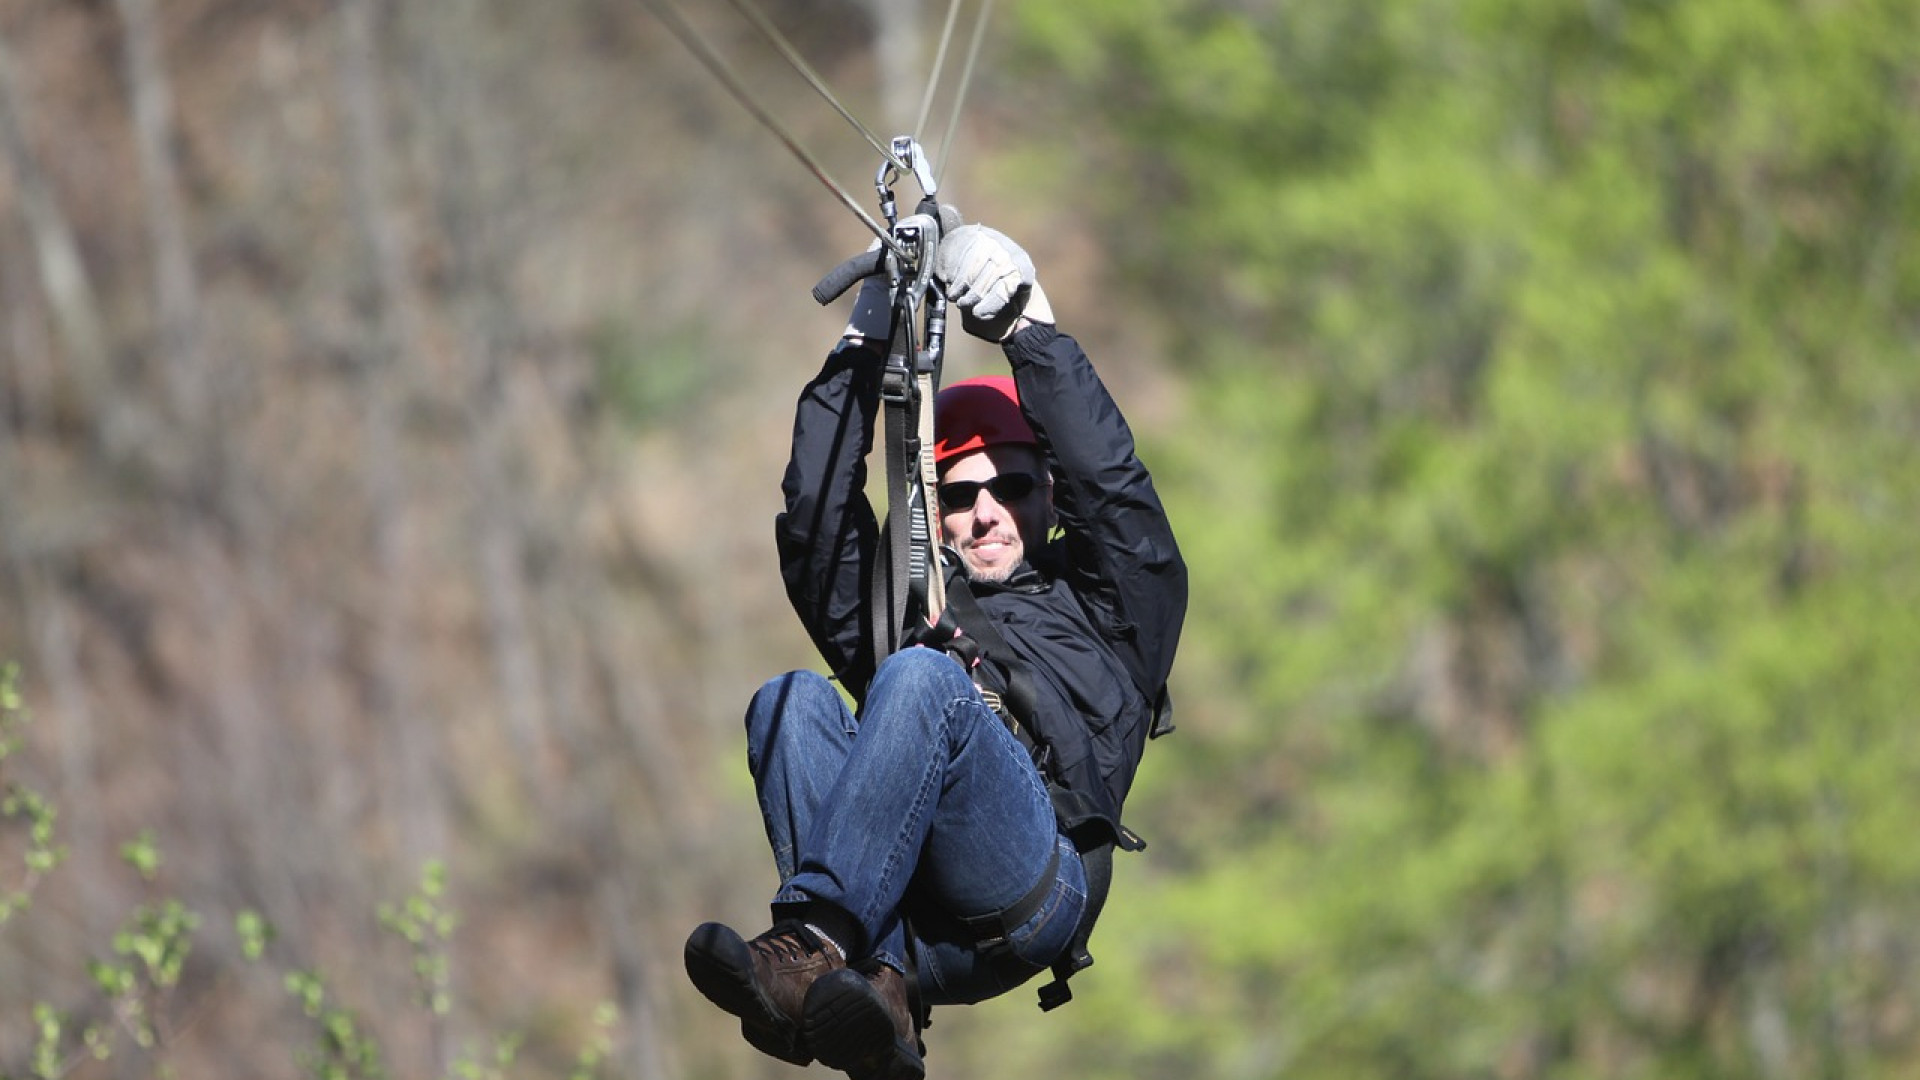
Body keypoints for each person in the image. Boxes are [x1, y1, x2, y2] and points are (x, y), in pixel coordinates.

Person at [684, 221, 1187, 1080]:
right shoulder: (902, 609)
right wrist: (862, 344)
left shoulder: (1109, 610)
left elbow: (1121, 503)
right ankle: (875, 998)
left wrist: (1030, 330)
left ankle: (814, 952)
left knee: (920, 677)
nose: (988, 511)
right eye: (961, 492)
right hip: (912, 924)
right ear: (935, 510)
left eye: (1013, 487)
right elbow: (815, 528)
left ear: (1047, 496)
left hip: (1032, 883)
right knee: (789, 700)